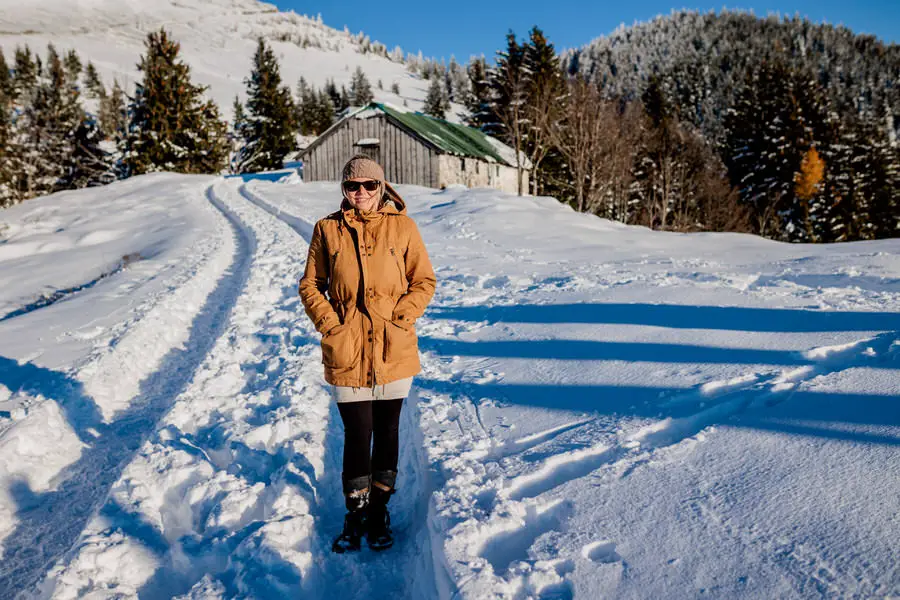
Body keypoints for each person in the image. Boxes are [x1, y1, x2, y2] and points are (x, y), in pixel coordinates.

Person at [299, 155, 436, 553]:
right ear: (344, 190)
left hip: (393, 346)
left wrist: (402, 315)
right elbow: (311, 285)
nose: (360, 193)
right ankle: (355, 511)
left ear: (382, 187)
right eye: (352, 186)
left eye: (369, 186)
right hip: (348, 347)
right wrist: (331, 323)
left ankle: (379, 509)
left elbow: (424, 280)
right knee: (358, 433)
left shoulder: (404, 227)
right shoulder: (327, 229)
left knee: (388, 430)